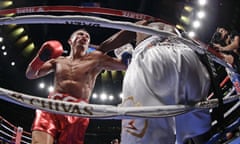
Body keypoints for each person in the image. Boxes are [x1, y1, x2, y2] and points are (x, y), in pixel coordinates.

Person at [99, 20, 212, 144]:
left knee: (145, 131)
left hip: (152, 53)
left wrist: (101, 48)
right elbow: (202, 46)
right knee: (196, 120)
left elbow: (126, 32)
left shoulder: (144, 21)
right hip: (187, 55)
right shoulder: (173, 24)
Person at [25, 29, 127, 144]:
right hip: (51, 106)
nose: (84, 37)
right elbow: (30, 75)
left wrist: (125, 54)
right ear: (70, 41)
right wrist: (40, 58)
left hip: (77, 111)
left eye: (87, 37)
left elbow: (124, 65)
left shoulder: (96, 59)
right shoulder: (58, 60)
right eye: (80, 34)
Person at [211, 27, 240, 93]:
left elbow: (236, 44)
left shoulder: (233, 34)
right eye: (220, 32)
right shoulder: (226, 47)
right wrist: (218, 53)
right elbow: (231, 60)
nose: (221, 32)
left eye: (222, 31)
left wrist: (222, 48)